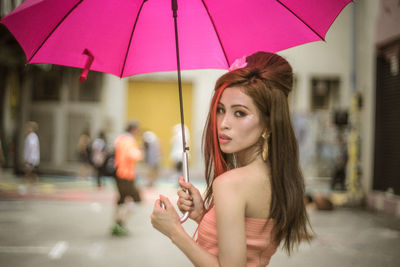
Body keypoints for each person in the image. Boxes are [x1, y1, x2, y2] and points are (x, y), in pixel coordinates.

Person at [151, 52, 313, 266]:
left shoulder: (232, 184)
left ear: (269, 122)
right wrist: (203, 216)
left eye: (240, 113)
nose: (223, 123)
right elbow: (247, 245)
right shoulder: (276, 176)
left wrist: (174, 231)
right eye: (220, 110)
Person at [111, 120, 142, 236]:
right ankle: (120, 223)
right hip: (127, 174)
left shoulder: (119, 139)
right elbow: (133, 155)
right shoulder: (129, 141)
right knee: (136, 199)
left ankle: (115, 222)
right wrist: (140, 152)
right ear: (133, 130)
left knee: (121, 199)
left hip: (118, 173)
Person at [23, 121, 40, 191]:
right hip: (33, 158)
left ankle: (27, 185)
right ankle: (33, 186)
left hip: (31, 159)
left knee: (28, 172)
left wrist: (27, 158)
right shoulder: (31, 136)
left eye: (28, 127)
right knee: (32, 173)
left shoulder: (32, 136)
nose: (27, 129)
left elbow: (32, 147)